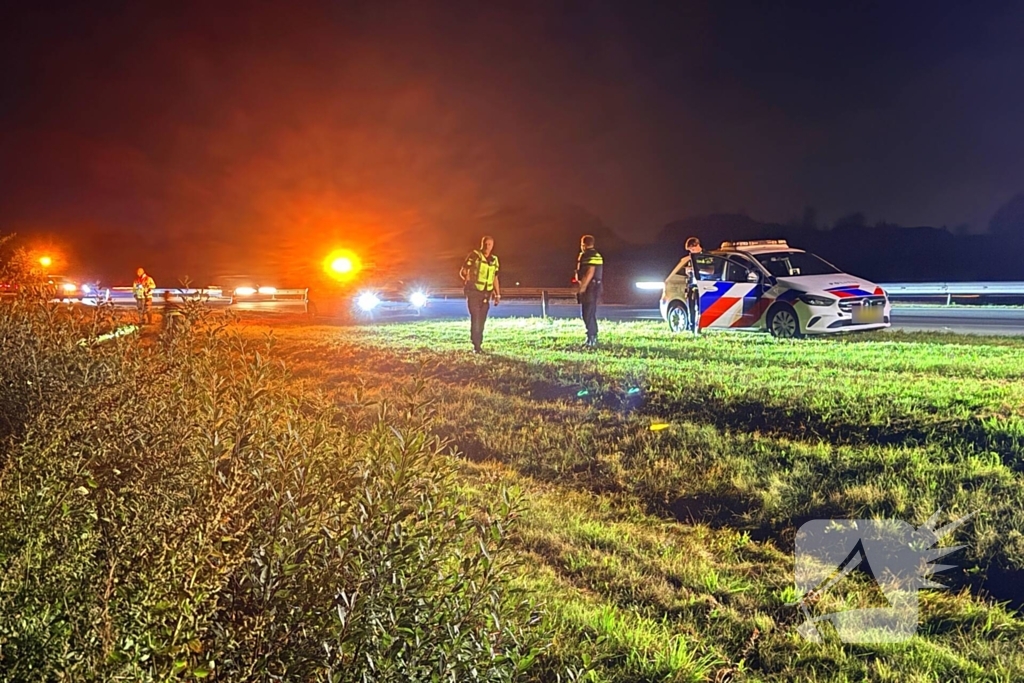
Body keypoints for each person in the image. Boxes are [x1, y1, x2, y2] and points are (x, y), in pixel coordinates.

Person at [460, 236, 500, 353]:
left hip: (486, 294)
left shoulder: (494, 260)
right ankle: (476, 345)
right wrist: (467, 281)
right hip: (474, 292)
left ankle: (479, 343)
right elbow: (463, 271)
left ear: (493, 246)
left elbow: (495, 278)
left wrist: (497, 294)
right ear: (482, 244)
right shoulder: (474, 256)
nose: (487, 246)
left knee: (482, 320)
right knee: (476, 318)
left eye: (490, 244)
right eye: (486, 244)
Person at [574, 234, 604, 348]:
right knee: (591, 312)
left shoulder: (587, 255)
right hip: (597, 287)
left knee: (587, 313)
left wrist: (582, 288)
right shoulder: (597, 255)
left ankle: (592, 337)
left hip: (590, 288)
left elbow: (589, 272)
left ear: (584, 244)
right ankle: (593, 336)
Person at [684, 237, 713, 335]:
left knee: (699, 309)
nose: (691, 252)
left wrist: (697, 270)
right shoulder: (691, 257)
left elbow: (711, 271)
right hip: (691, 286)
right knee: (691, 309)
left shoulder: (706, 256)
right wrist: (688, 271)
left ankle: (699, 328)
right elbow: (688, 270)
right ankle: (691, 328)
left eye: (692, 249)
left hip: (702, 286)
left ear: (697, 245)